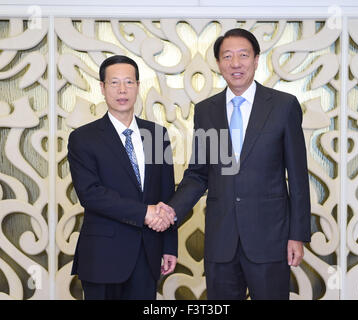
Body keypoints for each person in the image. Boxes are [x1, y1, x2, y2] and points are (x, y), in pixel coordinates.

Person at [164, 28, 311, 300]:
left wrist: (298, 235)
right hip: (221, 240)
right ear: (219, 64)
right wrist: (170, 211)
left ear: (256, 60)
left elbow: (298, 177)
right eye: (227, 56)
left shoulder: (283, 106)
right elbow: (199, 174)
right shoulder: (206, 110)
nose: (235, 63)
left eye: (243, 55)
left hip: (270, 239)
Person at [67, 55, 177, 300]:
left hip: (148, 253)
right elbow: (91, 194)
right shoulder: (83, 138)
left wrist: (169, 246)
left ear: (138, 86)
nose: (122, 89)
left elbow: (166, 194)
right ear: (102, 88)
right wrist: (144, 213)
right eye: (114, 83)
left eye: (128, 82)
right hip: (102, 257)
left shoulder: (157, 134)